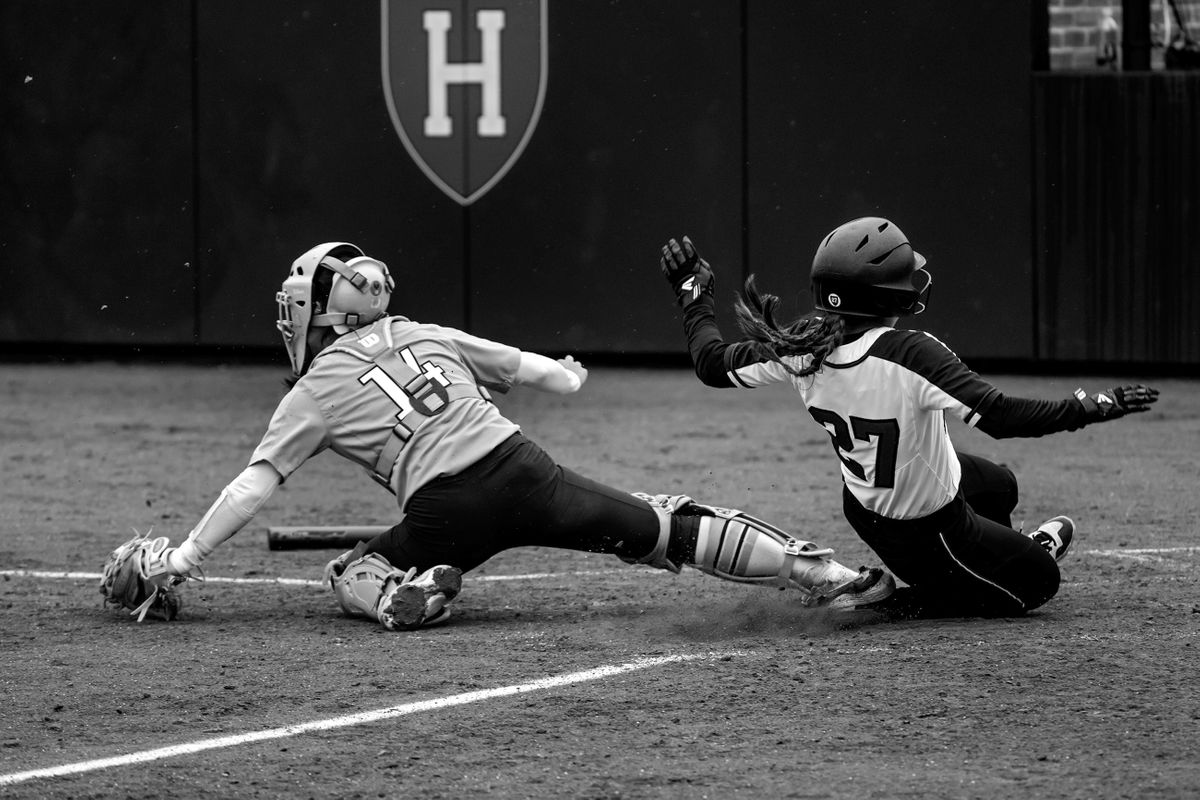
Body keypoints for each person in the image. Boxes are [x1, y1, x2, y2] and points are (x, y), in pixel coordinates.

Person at [103, 241, 897, 629]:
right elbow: (530, 368)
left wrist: (185, 558)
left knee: (352, 570)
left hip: (444, 512)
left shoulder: (311, 393)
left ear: (316, 311)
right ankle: (820, 571)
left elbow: (253, 486)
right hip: (524, 469)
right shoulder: (423, 332)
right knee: (664, 525)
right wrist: (569, 376)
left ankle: (402, 598)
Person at [658, 218, 1159, 619]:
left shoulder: (803, 342)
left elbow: (711, 363)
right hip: (926, 529)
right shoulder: (909, 352)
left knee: (999, 486)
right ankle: (896, 603)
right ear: (887, 296)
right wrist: (1091, 406)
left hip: (870, 506)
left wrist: (693, 293)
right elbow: (1001, 416)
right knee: (1039, 583)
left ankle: (990, 560)